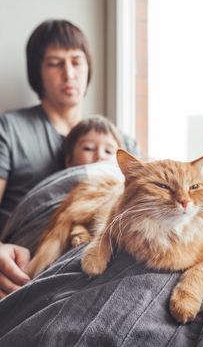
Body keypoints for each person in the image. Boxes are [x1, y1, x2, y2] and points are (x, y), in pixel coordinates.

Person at [0, 115, 125, 298]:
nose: (100, 156)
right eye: (88, 148)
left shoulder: (118, 174)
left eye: (109, 151)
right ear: (69, 161)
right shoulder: (62, 179)